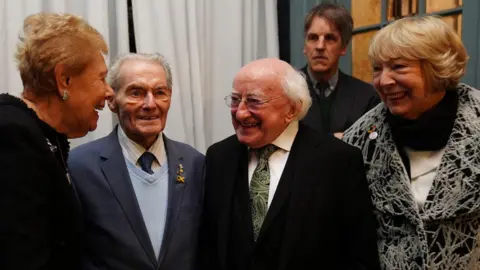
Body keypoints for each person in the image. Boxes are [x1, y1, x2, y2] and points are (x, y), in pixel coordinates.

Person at [200, 58, 380, 270]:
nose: (240, 112)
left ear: (292, 109)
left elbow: (360, 257)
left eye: (254, 101)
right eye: (235, 99)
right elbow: (208, 248)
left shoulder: (337, 161)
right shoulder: (219, 157)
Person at [343, 16, 480, 269]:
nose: (383, 81)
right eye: (377, 68)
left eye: (398, 67)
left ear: (436, 67)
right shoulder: (361, 138)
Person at [68, 53, 205, 270]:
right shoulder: (79, 167)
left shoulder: (195, 164)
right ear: (112, 100)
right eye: (136, 93)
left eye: (159, 92)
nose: (150, 104)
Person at [0, 12, 112, 269]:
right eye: (101, 78)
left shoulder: (41, 137)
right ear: (64, 80)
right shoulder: (13, 138)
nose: (108, 91)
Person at [300, 3, 380, 139]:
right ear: (305, 47)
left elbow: (372, 141)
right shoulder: (284, 92)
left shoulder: (366, 96)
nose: (320, 46)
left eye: (330, 38)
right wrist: (334, 139)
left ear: (343, 48)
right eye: (313, 38)